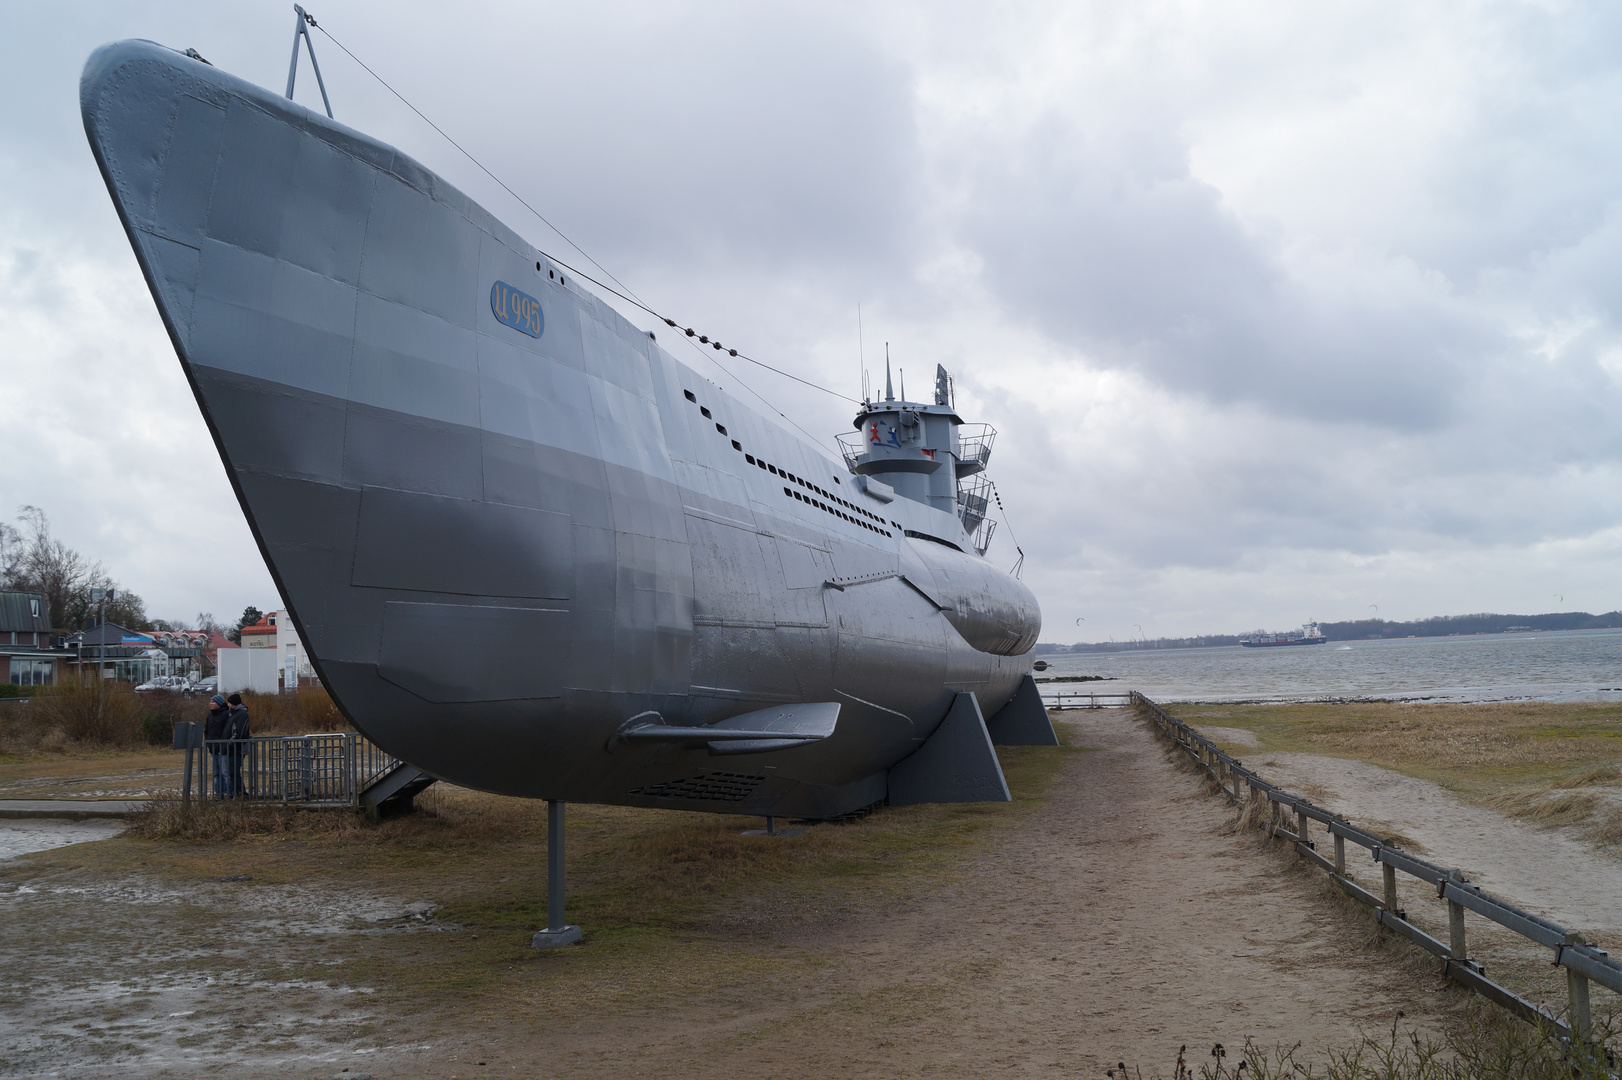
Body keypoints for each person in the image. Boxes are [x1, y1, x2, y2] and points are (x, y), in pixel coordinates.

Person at [223, 692, 251, 798]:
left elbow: (239, 732)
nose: (228, 704)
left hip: (238, 747)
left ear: (233, 703)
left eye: (229, 702)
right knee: (232, 772)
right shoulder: (235, 713)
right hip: (234, 747)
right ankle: (239, 792)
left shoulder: (241, 714)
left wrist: (230, 743)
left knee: (233, 771)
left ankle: (241, 793)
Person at [203, 694, 230, 798]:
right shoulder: (210, 715)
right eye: (210, 702)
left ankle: (228, 793)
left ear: (219, 703)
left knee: (225, 772)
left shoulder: (226, 714)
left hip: (223, 749)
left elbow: (227, 731)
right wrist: (208, 741)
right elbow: (207, 729)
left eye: (213, 702)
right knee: (216, 773)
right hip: (213, 748)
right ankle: (218, 793)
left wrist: (224, 743)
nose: (211, 703)